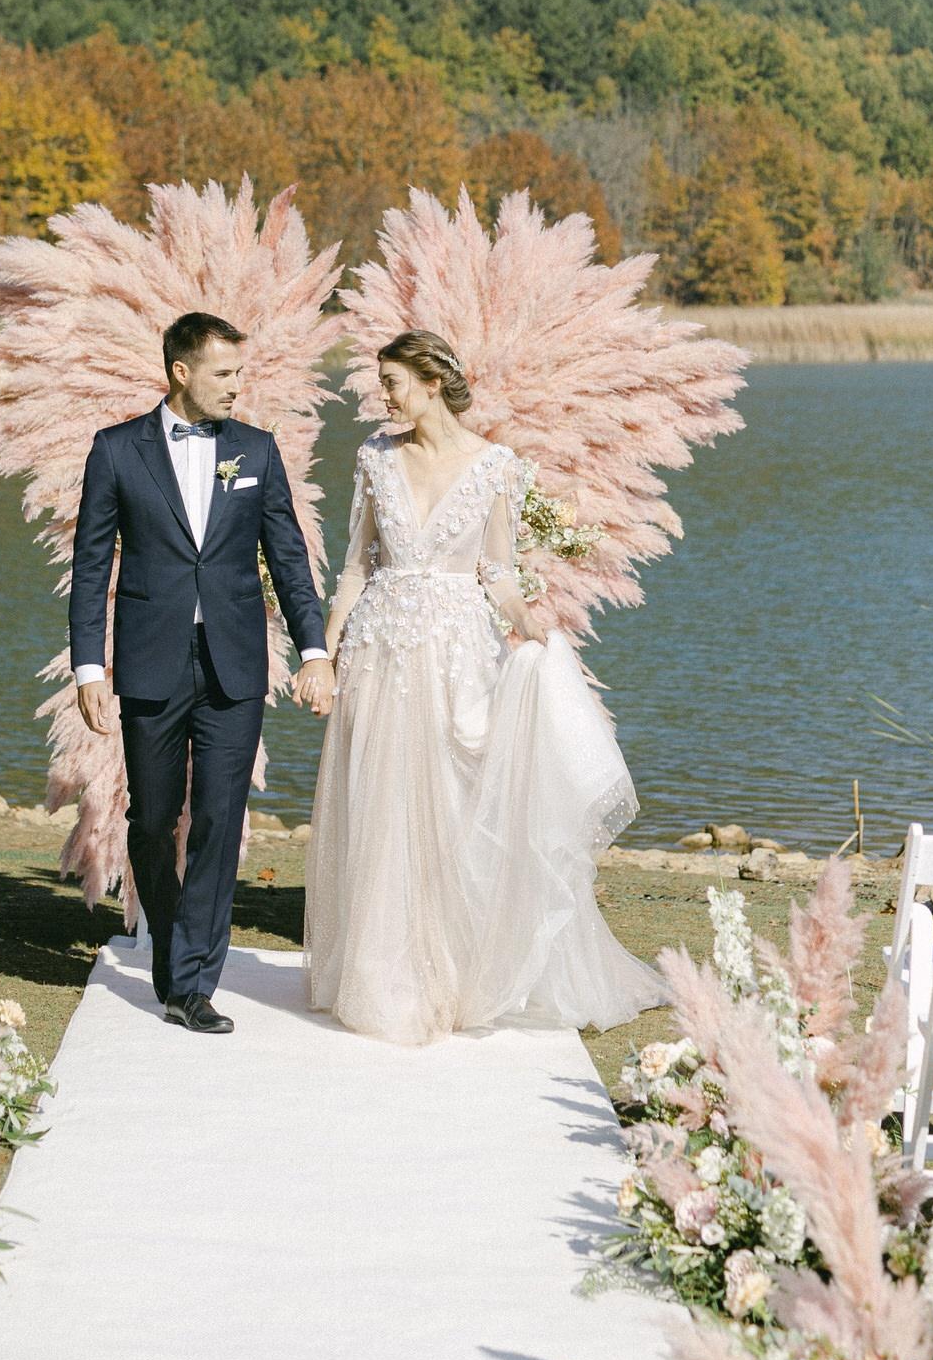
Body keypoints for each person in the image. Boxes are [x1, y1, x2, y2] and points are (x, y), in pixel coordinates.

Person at [302, 328, 664, 1047]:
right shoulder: (374, 458)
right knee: (380, 808)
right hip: (380, 650)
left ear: (432, 383)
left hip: (460, 654)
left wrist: (527, 620)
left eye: (393, 382)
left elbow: (494, 570)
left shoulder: (495, 465)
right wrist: (326, 650)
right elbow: (353, 565)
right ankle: (383, 976)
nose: (383, 396)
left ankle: (457, 971)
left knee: (457, 806)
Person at [69, 311, 328, 1034]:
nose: (237, 387)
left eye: (240, 373)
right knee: (151, 822)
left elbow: (288, 559)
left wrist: (313, 649)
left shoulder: (256, 450)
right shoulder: (116, 451)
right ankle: (174, 945)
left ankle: (192, 980)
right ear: (181, 372)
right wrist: (89, 665)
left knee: (219, 815)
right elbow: (91, 566)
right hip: (150, 660)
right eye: (224, 373)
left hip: (234, 662)